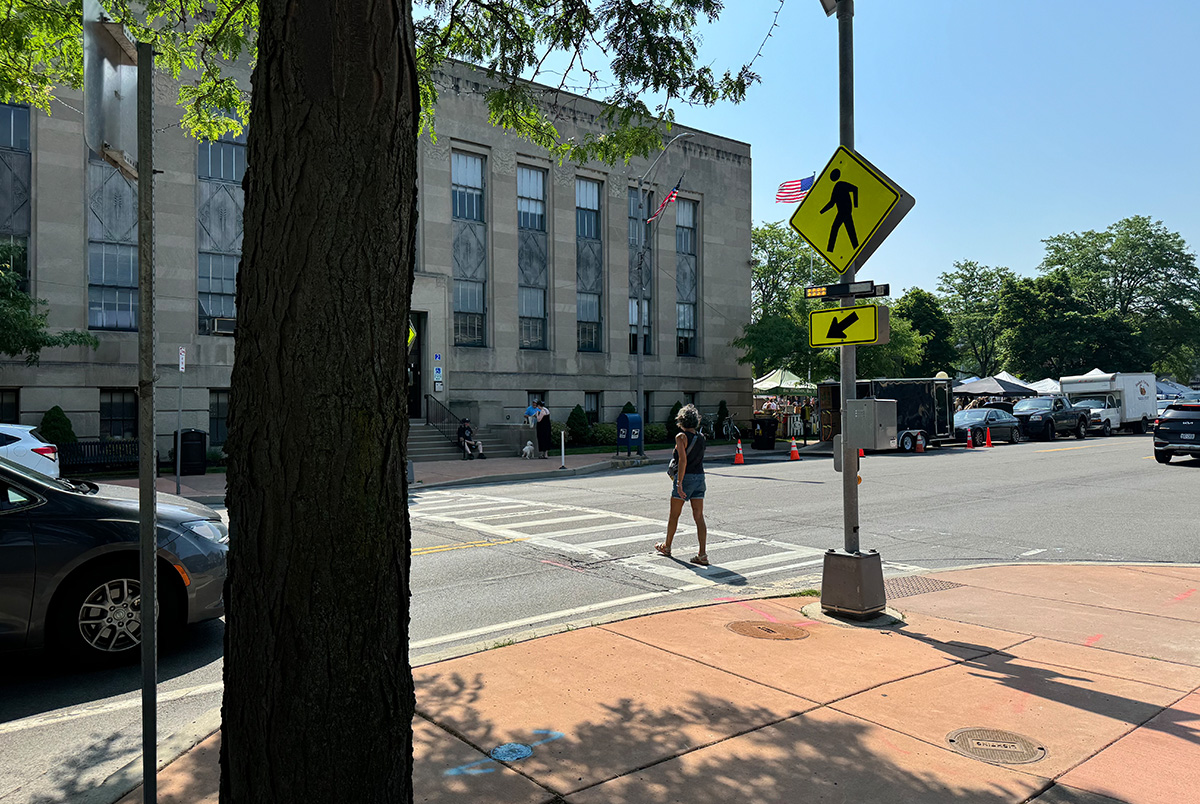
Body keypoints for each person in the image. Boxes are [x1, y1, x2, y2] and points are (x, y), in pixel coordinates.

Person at [655, 404, 709, 566]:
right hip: (700, 477)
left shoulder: (681, 437)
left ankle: (667, 546)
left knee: (674, 515)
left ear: (681, 420)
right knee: (699, 516)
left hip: (686, 478)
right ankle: (702, 554)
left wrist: (679, 483)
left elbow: (683, 460)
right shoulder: (701, 437)